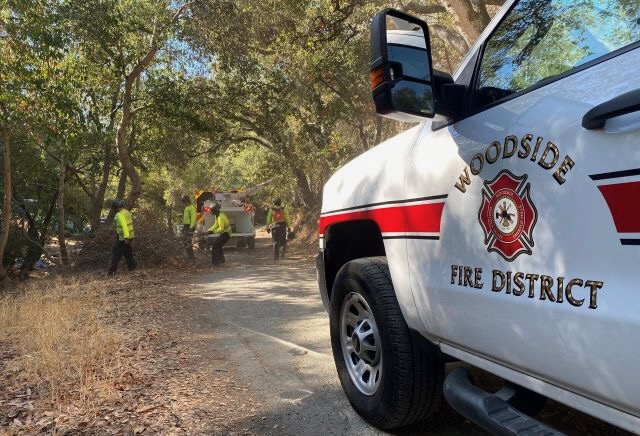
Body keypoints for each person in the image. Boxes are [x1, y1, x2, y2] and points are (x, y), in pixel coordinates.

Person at [106, 199, 137, 276]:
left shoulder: (120, 215)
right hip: (130, 236)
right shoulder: (127, 212)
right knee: (128, 253)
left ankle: (111, 273)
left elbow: (125, 227)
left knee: (115, 254)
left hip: (123, 238)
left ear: (116, 207)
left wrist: (126, 238)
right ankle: (132, 269)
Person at [181, 194, 196, 260]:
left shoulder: (191, 207)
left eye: (184, 201)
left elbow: (193, 218)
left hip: (189, 227)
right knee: (184, 242)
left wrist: (191, 228)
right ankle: (189, 257)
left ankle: (192, 258)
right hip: (185, 226)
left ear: (187, 200)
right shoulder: (186, 208)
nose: (183, 202)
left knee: (187, 242)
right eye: (182, 201)